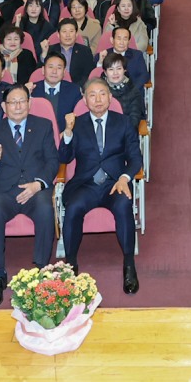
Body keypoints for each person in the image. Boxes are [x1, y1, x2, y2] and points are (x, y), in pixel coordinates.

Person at [59, 78, 143, 292]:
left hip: (115, 183)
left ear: (110, 97)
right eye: (92, 95)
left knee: (124, 205)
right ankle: (70, 265)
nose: (98, 99)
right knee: (73, 208)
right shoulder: (76, 123)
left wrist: (124, 177)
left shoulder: (123, 122)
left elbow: (135, 158)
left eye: (102, 94)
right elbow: (65, 158)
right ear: (85, 100)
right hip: (86, 184)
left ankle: (129, 264)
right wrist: (67, 133)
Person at [0, 85, 59, 307]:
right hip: (5, 191)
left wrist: (37, 184)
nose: (17, 106)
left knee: (45, 209)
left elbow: (53, 161)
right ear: (4, 107)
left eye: (22, 101)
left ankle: (42, 270)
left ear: (29, 103)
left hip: (35, 189)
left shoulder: (43, 126)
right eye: (12, 102)